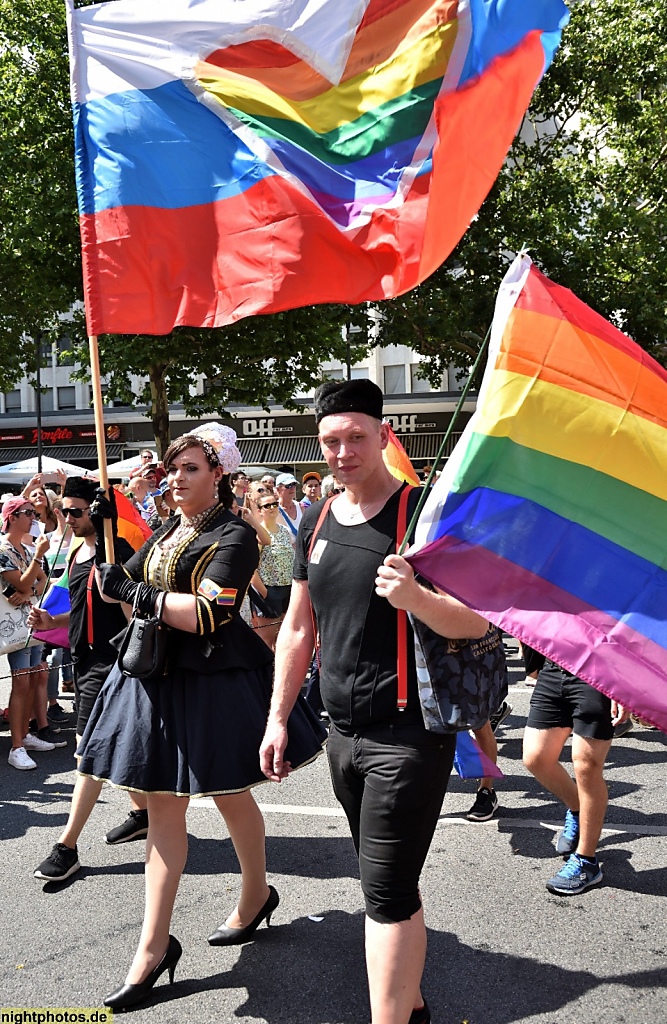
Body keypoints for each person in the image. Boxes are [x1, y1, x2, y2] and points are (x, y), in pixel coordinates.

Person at [73, 425, 325, 1010]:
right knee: (166, 804)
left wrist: (138, 595)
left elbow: (212, 614)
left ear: (219, 476)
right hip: (158, 677)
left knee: (233, 792)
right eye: (173, 468)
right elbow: (118, 587)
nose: (178, 478)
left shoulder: (236, 534)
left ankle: (255, 893)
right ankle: (154, 947)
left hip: (213, 678)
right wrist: (106, 529)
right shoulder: (164, 528)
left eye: (191, 468)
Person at [260, 380, 488, 1024]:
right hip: (341, 732)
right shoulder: (317, 518)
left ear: (384, 437)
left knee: (382, 893)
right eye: (331, 440)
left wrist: (416, 598)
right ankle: (409, 1000)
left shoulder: (422, 514)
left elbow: (479, 622)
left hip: (409, 735)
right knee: (388, 882)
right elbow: (300, 629)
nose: (342, 450)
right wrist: (279, 718)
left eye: (356, 436)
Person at [31, 477, 148, 881]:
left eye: (76, 511)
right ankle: (145, 813)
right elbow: (80, 612)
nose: (67, 518)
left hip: (111, 663)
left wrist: (120, 587)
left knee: (87, 752)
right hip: (81, 663)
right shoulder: (78, 551)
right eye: (64, 510)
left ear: (96, 512)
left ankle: (66, 846)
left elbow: (138, 614)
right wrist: (52, 620)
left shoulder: (118, 553)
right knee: (108, 747)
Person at [522, 659, 629, 895]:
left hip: (600, 672)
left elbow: (631, 626)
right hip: (553, 668)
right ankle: (578, 810)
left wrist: (622, 683)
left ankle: (586, 861)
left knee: (586, 766)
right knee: (535, 758)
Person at [0, 497, 54, 769]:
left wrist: (28, 591)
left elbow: (40, 584)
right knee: (21, 682)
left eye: (34, 512)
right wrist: (38, 559)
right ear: (11, 517)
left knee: (33, 678)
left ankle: (24, 735)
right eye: (27, 512)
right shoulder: (3, 548)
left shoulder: (24, 548)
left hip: (30, 621)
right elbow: (21, 582)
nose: (33, 517)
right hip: (15, 626)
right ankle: (16, 746)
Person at [255, 491, 295, 649]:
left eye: (274, 504)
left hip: (288, 589)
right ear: (259, 511)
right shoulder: (257, 533)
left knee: (284, 638)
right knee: (267, 639)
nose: (272, 508)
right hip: (269, 590)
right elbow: (252, 569)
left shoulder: (285, 531)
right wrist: (265, 593)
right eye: (267, 506)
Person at [275, 472, 302, 541]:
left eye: (294, 485)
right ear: (278, 489)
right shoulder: (273, 509)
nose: (292, 488)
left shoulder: (300, 507)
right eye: (288, 486)